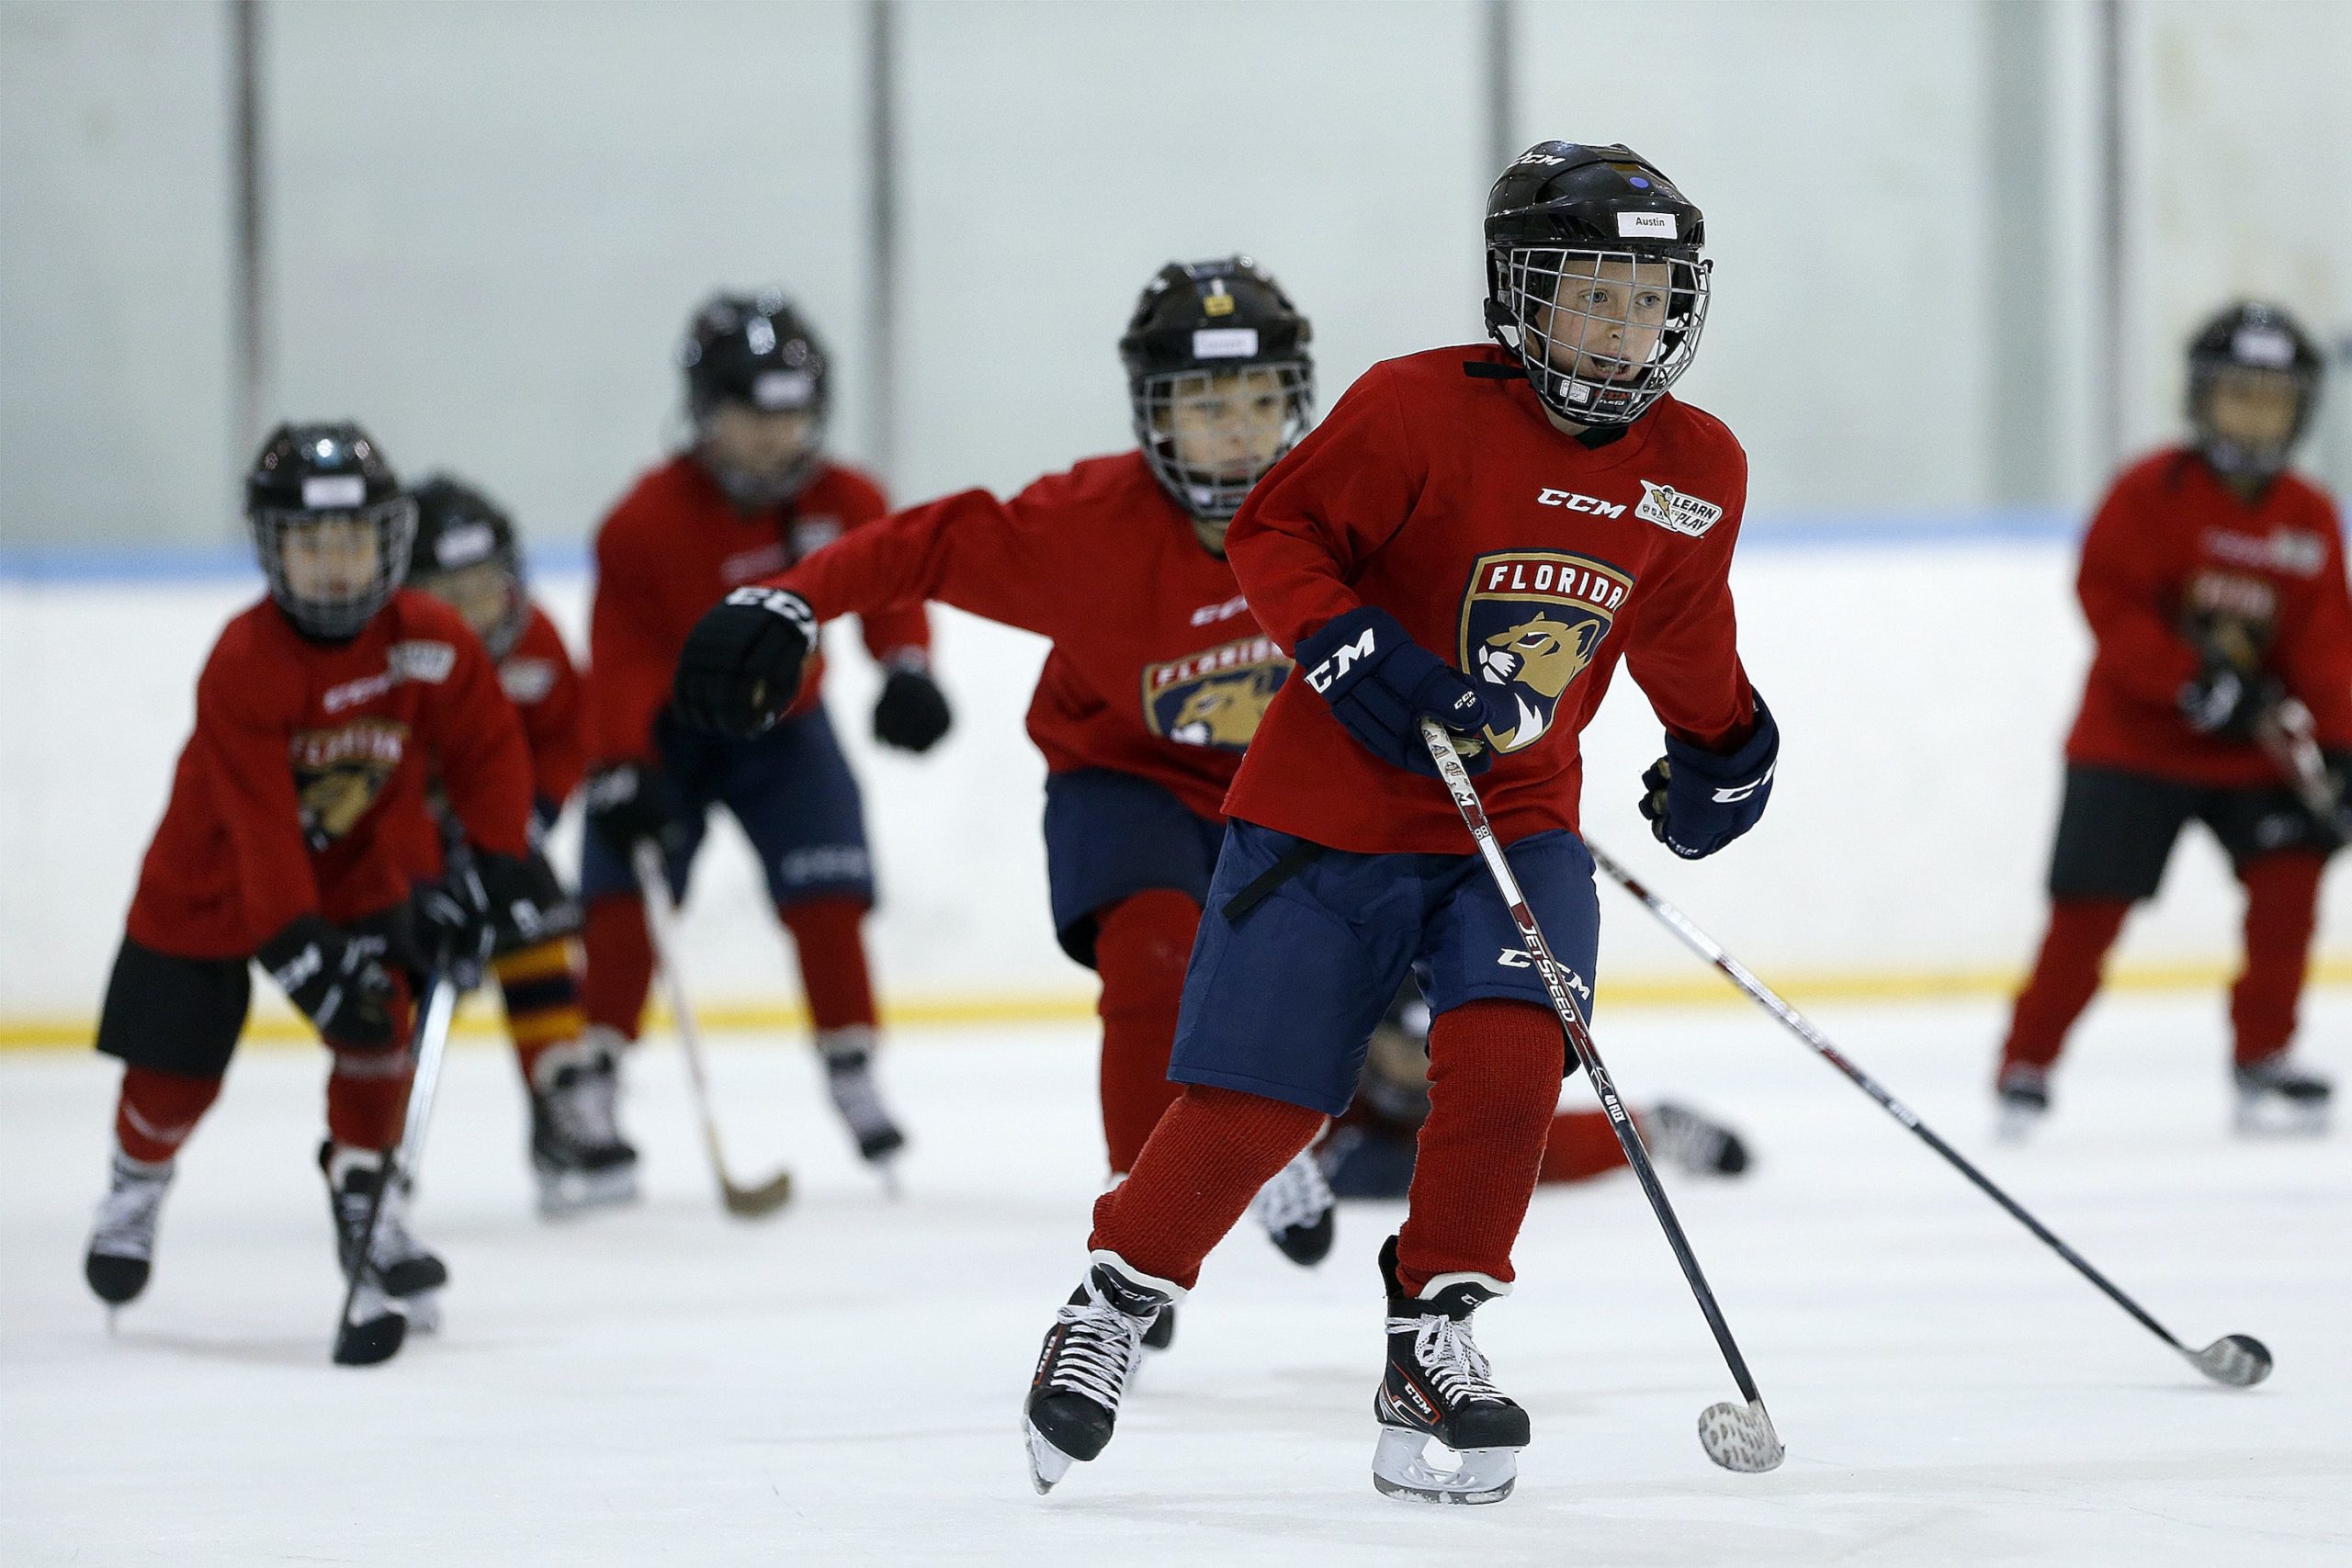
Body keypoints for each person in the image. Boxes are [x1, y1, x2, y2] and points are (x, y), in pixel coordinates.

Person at [1008, 139, 1776, 1504]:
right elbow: (1277, 538)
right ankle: (1115, 1301)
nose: (1623, 325)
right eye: (1589, 292)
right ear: (1521, 296)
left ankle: (1435, 1341)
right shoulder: (1418, 409)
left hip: (1518, 817)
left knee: (1509, 1059)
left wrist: (1727, 740)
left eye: (1649, 296)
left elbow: (1675, 622)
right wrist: (1364, 653)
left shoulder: (1697, 464)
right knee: (1259, 1102)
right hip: (1331, 807)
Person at [668, 258, 1340, 1340]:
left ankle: (1271, 1152)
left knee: (1304, 1007)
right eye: (1206, 405)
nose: (1240, 434)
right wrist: (793, 602)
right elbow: (921, 547)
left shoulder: (1343, 513)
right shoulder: (1085, 524)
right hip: (1121, 777)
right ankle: (1140, 1229)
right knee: (1151, 953)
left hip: (1286, 793)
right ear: (1152, 415)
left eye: (1263, 402)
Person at [81, 423, 548, 1333]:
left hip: (357, 869)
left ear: (390, 543)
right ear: (272, 549)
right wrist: (298, 947)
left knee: (380, 1025)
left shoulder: (429, 638)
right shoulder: (245, 661)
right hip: (212, 880)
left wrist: (503, 859)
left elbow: (487, 747)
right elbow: (257, 825)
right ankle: (136, 1182)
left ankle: (367, 1198)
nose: (335, 567)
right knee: (173, 1076)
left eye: (352, 542)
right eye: (310, 544)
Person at [580, 291, 951, 1175]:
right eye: (757, 414)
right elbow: (623, 652)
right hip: (670, 734)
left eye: (796, 413)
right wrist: (623, 762)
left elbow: (889, 584)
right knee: (624, 898)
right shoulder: (645, 522)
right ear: (706, 411)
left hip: (787, 727)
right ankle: (590, 1074)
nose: (780, 435)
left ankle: (852, 1066)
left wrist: (907, 667)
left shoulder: (846, 496)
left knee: (829, 889)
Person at [1996, 301, 2347, 1139]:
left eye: (2274, 397)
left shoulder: (2308, 516)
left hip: (2250, 755)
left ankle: (2264, 1056)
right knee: (2088, 908)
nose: (2255, 414)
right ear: (2201, 398)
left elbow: (2326, 642)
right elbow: (2108, 602)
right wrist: (2187, 683)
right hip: (2131, 744)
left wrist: (2339, 746)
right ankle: (2027, 1060)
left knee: (2291, 881)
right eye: (2238, 394)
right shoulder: (2150, 491)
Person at [404, 475, 638, 1213]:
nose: (476, 608)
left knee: (537, 923)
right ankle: (376, 1127)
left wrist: (533, 810)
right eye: (451, 591)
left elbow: (566, 735)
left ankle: (559, 1095)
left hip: (501, 832)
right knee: (401, 967)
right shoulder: (393, 658)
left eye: (487, 585)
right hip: (405, 848)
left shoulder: (534, 638)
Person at [1319, 987, 1749, 1199]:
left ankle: (1648, 1132)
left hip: (1455, 1121)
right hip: (1353, 1118)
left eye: (1426, 1048)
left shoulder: (1470, 1085)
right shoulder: (1326, 1083)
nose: (1416, 1067)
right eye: (1401, 1047)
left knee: (1505, 1152)